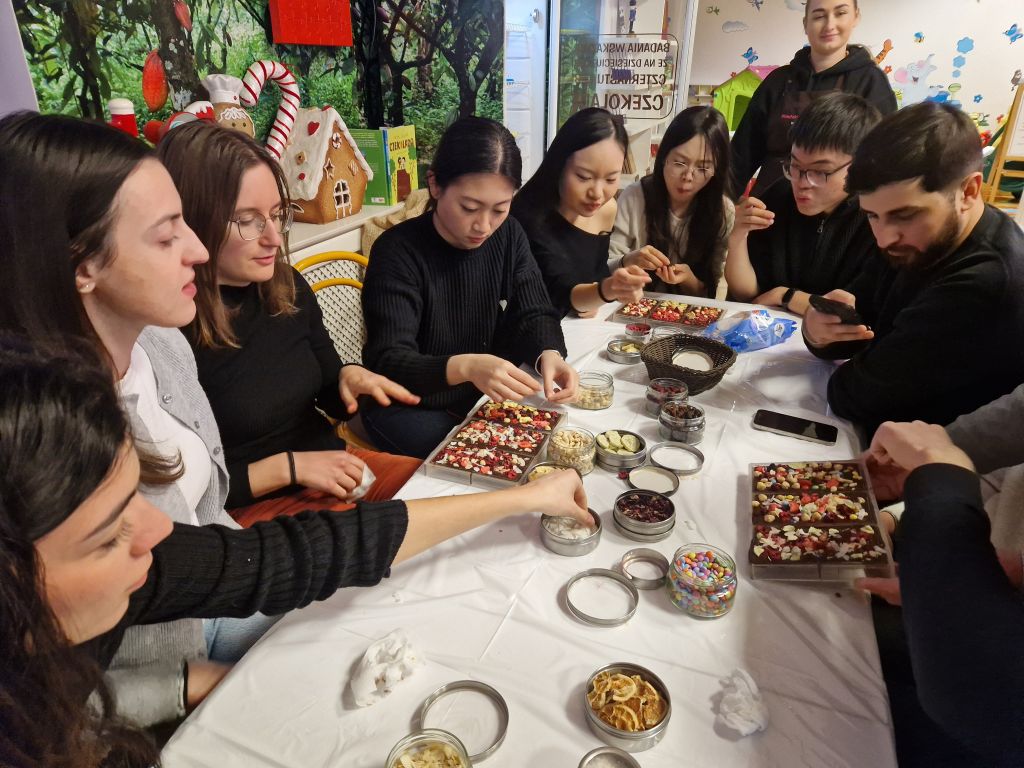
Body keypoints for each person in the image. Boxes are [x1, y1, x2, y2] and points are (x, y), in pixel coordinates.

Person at [0, 339, 591, 767]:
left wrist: (523, 498)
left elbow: (300, 552)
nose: (160, 528)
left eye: (137, 496)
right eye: (109, 532)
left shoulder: (127, 566)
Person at [157, 122, 422, 526]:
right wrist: (290, 467)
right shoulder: (169, 331)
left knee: (448, 491)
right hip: (251, 509)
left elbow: (330, 392)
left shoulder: (286, 285)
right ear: (191, 223)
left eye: (278, 215)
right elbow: (187, 494)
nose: (275, 239)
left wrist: (349, 379)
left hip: (331, 468)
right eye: (248, 221)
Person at [802, 101, 1024, 437]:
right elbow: (854, 323)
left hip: (924, 455)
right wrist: (817, 332)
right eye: (872, 215)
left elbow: (856, 396)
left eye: (905, 215)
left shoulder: (987, 280)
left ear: (968, 191)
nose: (883, 238)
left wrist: (846, 348)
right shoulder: (912, 238)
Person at [361, 116, 579, 459]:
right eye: (469, 207)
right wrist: (466, 367)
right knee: (492, 460)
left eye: (500, 209)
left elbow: (534, 310)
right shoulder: (397, 251)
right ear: (435, 185)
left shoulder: (508, 234)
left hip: (481, 393)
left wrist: (548, 353)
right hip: (410, 404)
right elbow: (389, 360)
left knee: (553, 445)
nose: (484, 226)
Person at [854, 420, 1024, 767]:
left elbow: (985, 695)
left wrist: (939, 473)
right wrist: (894, 519)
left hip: (975, 701)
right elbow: (1004, 485)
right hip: (963, 576)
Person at [725, 92, 886, 314]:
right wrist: (737, 236)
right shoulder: (778, 197)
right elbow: (749, 294)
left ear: (859, 166)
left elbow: (855, 312)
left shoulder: (877, 217)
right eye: (795, 166)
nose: (802, 183)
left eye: (820, 171)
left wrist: (787, 296)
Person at [730, 0, 897, 198]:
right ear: (805, 24)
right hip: (769, 206)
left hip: (840, 211)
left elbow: (884, 160)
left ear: (855, 17)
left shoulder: (871, 82)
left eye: (840, 13)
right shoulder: (779, 81)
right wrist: (724, 206)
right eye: (819, 16)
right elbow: (741, 155)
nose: (829, 25)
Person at [511, 107, 650, 317]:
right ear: (559, 165)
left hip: (584, 329)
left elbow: (594, 277)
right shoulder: (527, 216)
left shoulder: (607, 210)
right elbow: (561, 294)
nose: (597, 193)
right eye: (584, 177)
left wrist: (621, 270)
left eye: (611, 179)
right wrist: (605, 291)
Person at [608, 106, 735, 298]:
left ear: (716, 170)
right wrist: (628, 260)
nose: (688, 177)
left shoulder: (723, 211)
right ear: (663, 157)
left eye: (702, 168)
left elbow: (714, 293)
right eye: (679, 163)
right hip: (633, 306)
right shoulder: (635, 197)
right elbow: (605, 268)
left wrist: (689, 280)